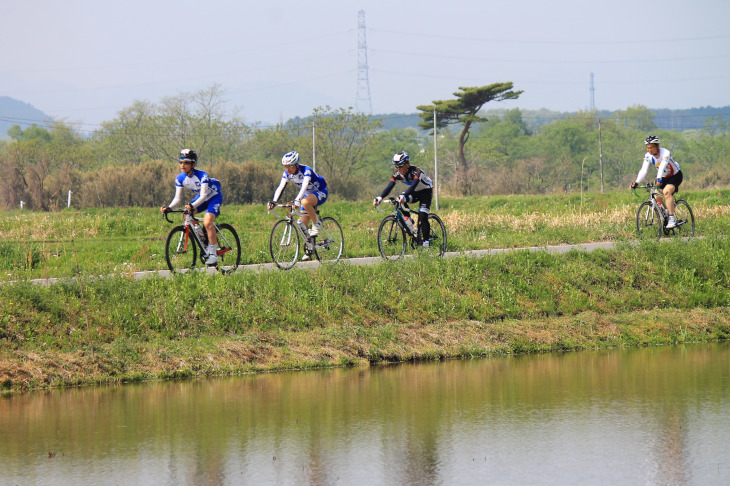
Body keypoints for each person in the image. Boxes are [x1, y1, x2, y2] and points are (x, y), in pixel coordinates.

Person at [161, 149, 223, 265]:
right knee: (187, 214)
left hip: (213, 197)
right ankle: (203, 239)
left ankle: (213, 254)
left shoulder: (202, 175)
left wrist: (192, 205)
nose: (182, 165)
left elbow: (204, 196)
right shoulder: (180, 178)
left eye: (186, 162)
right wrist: (169, 207)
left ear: (193, 164)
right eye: (181, 162)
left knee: (208, 222)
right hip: (201, 198)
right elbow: (178, 198)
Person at [267, 151, 328, 261]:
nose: (287, 169)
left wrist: (297, 200)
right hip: (307, 195)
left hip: (320, 191)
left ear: (296, 165)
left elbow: (304, 186)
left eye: (289, 166)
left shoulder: (306, 171)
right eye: (285, 166)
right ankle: (310, 249)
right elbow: (281, 187)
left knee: (304, 202)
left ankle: (316, 225)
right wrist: (274, 201)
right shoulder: (287, 173)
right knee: (302, 226)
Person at [373, 151, 434, 246]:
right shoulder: (397, 174)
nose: (398, 169)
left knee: (422, 215)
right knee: (398, 200)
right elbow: (389, 187)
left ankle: (426, 243)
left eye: (400, 166)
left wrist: (404, 195)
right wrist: (380, 197)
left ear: (407, 164)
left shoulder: (417, 172)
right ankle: (409, 222)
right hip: (414, 192)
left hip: (426, 192)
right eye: (396, 166)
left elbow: (413, 185)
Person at [630, 135, 683, 229]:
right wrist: (636, 182)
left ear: (658, 146)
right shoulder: (648, 156)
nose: (649, 150)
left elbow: (663, 166)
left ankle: (671, 218)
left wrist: (658, 179)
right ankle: (666, 212)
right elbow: (643, 170)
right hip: (663, 176)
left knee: (666, 192)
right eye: (647, 147)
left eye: (652, 147)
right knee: (656, 195)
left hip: (675, 175)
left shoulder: (665, 152)